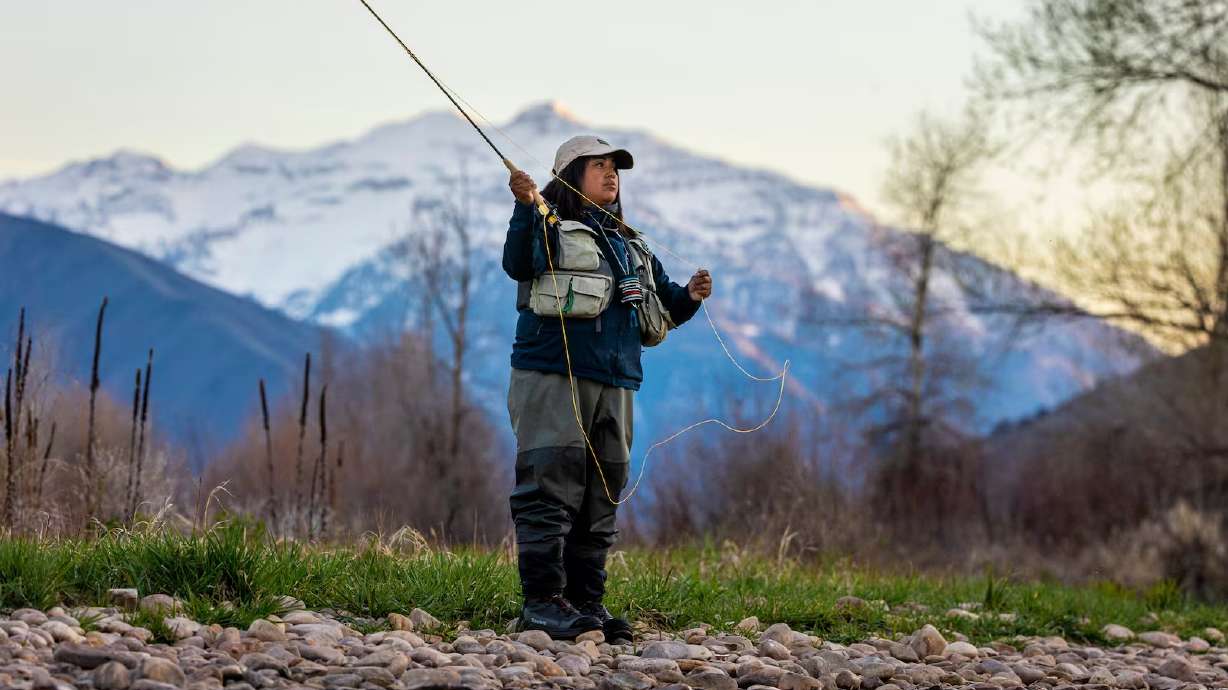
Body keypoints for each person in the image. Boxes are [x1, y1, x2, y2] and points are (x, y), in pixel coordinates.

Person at [501, 135, 713, 641]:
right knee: (550, 485)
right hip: (553, 374)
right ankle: (543, 603)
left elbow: (664, 306)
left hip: (618, 381)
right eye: (598, 166)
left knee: (603, 491)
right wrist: (524, 205)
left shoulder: (631, 243)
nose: (611, 175)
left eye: (615, 168)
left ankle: (586, 604)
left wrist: (691, 297)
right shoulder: (546, 220)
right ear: (572, 173)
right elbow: (519, 264)